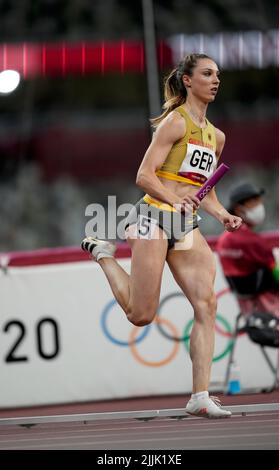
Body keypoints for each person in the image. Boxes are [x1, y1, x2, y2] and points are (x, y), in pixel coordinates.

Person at [81, 53, 242, 419]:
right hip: (151, 216)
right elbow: (144, 175)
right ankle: (103, 253)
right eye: (206, 74)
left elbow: (206, 189)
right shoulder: (174, 122)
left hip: (185, 224)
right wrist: (175, 200)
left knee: (207, 304)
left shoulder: (216, 136)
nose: (215, 80)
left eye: (217, 74)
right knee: (141, 315)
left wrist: (222, 214)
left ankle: (200, 395)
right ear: (188, 80)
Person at [217, 182, 279, 316]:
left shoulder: (224, 239)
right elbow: (276, 271)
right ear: (239, 209)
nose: (260, 206)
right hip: (268, 306)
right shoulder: (252, 241)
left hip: (246, 307)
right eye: (254, 202)